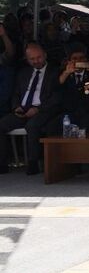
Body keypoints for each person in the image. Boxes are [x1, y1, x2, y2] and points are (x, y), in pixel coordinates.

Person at [0, 43, 62, 175]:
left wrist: (37, 109)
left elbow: (56, 97)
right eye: (32, 59)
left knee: (33, 125)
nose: (36, 61)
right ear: (27, 59)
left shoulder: (55, 71)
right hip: (22, 109)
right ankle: (2, 163)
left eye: (38, 57)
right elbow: (15, 93)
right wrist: (16, 107)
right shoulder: (23, 72)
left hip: (43, 109)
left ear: (45, 55)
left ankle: (33, 163)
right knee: (1, 125)